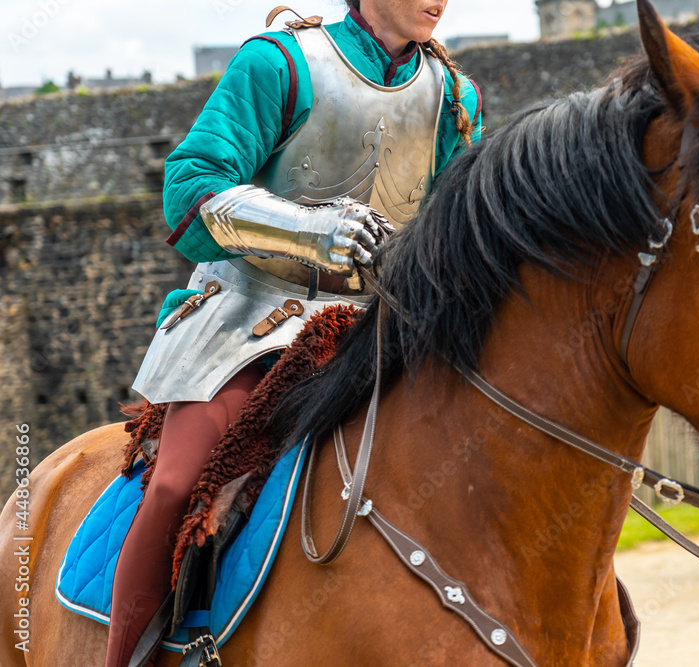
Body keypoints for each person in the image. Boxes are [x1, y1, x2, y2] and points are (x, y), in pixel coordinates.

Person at [107, 1, 482, 664]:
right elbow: (190, 188)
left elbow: (454, 226)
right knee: (176, 483)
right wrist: (316, 230)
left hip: (380, 324)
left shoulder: (454, 96)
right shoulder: (277, 63)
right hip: (252, 315)